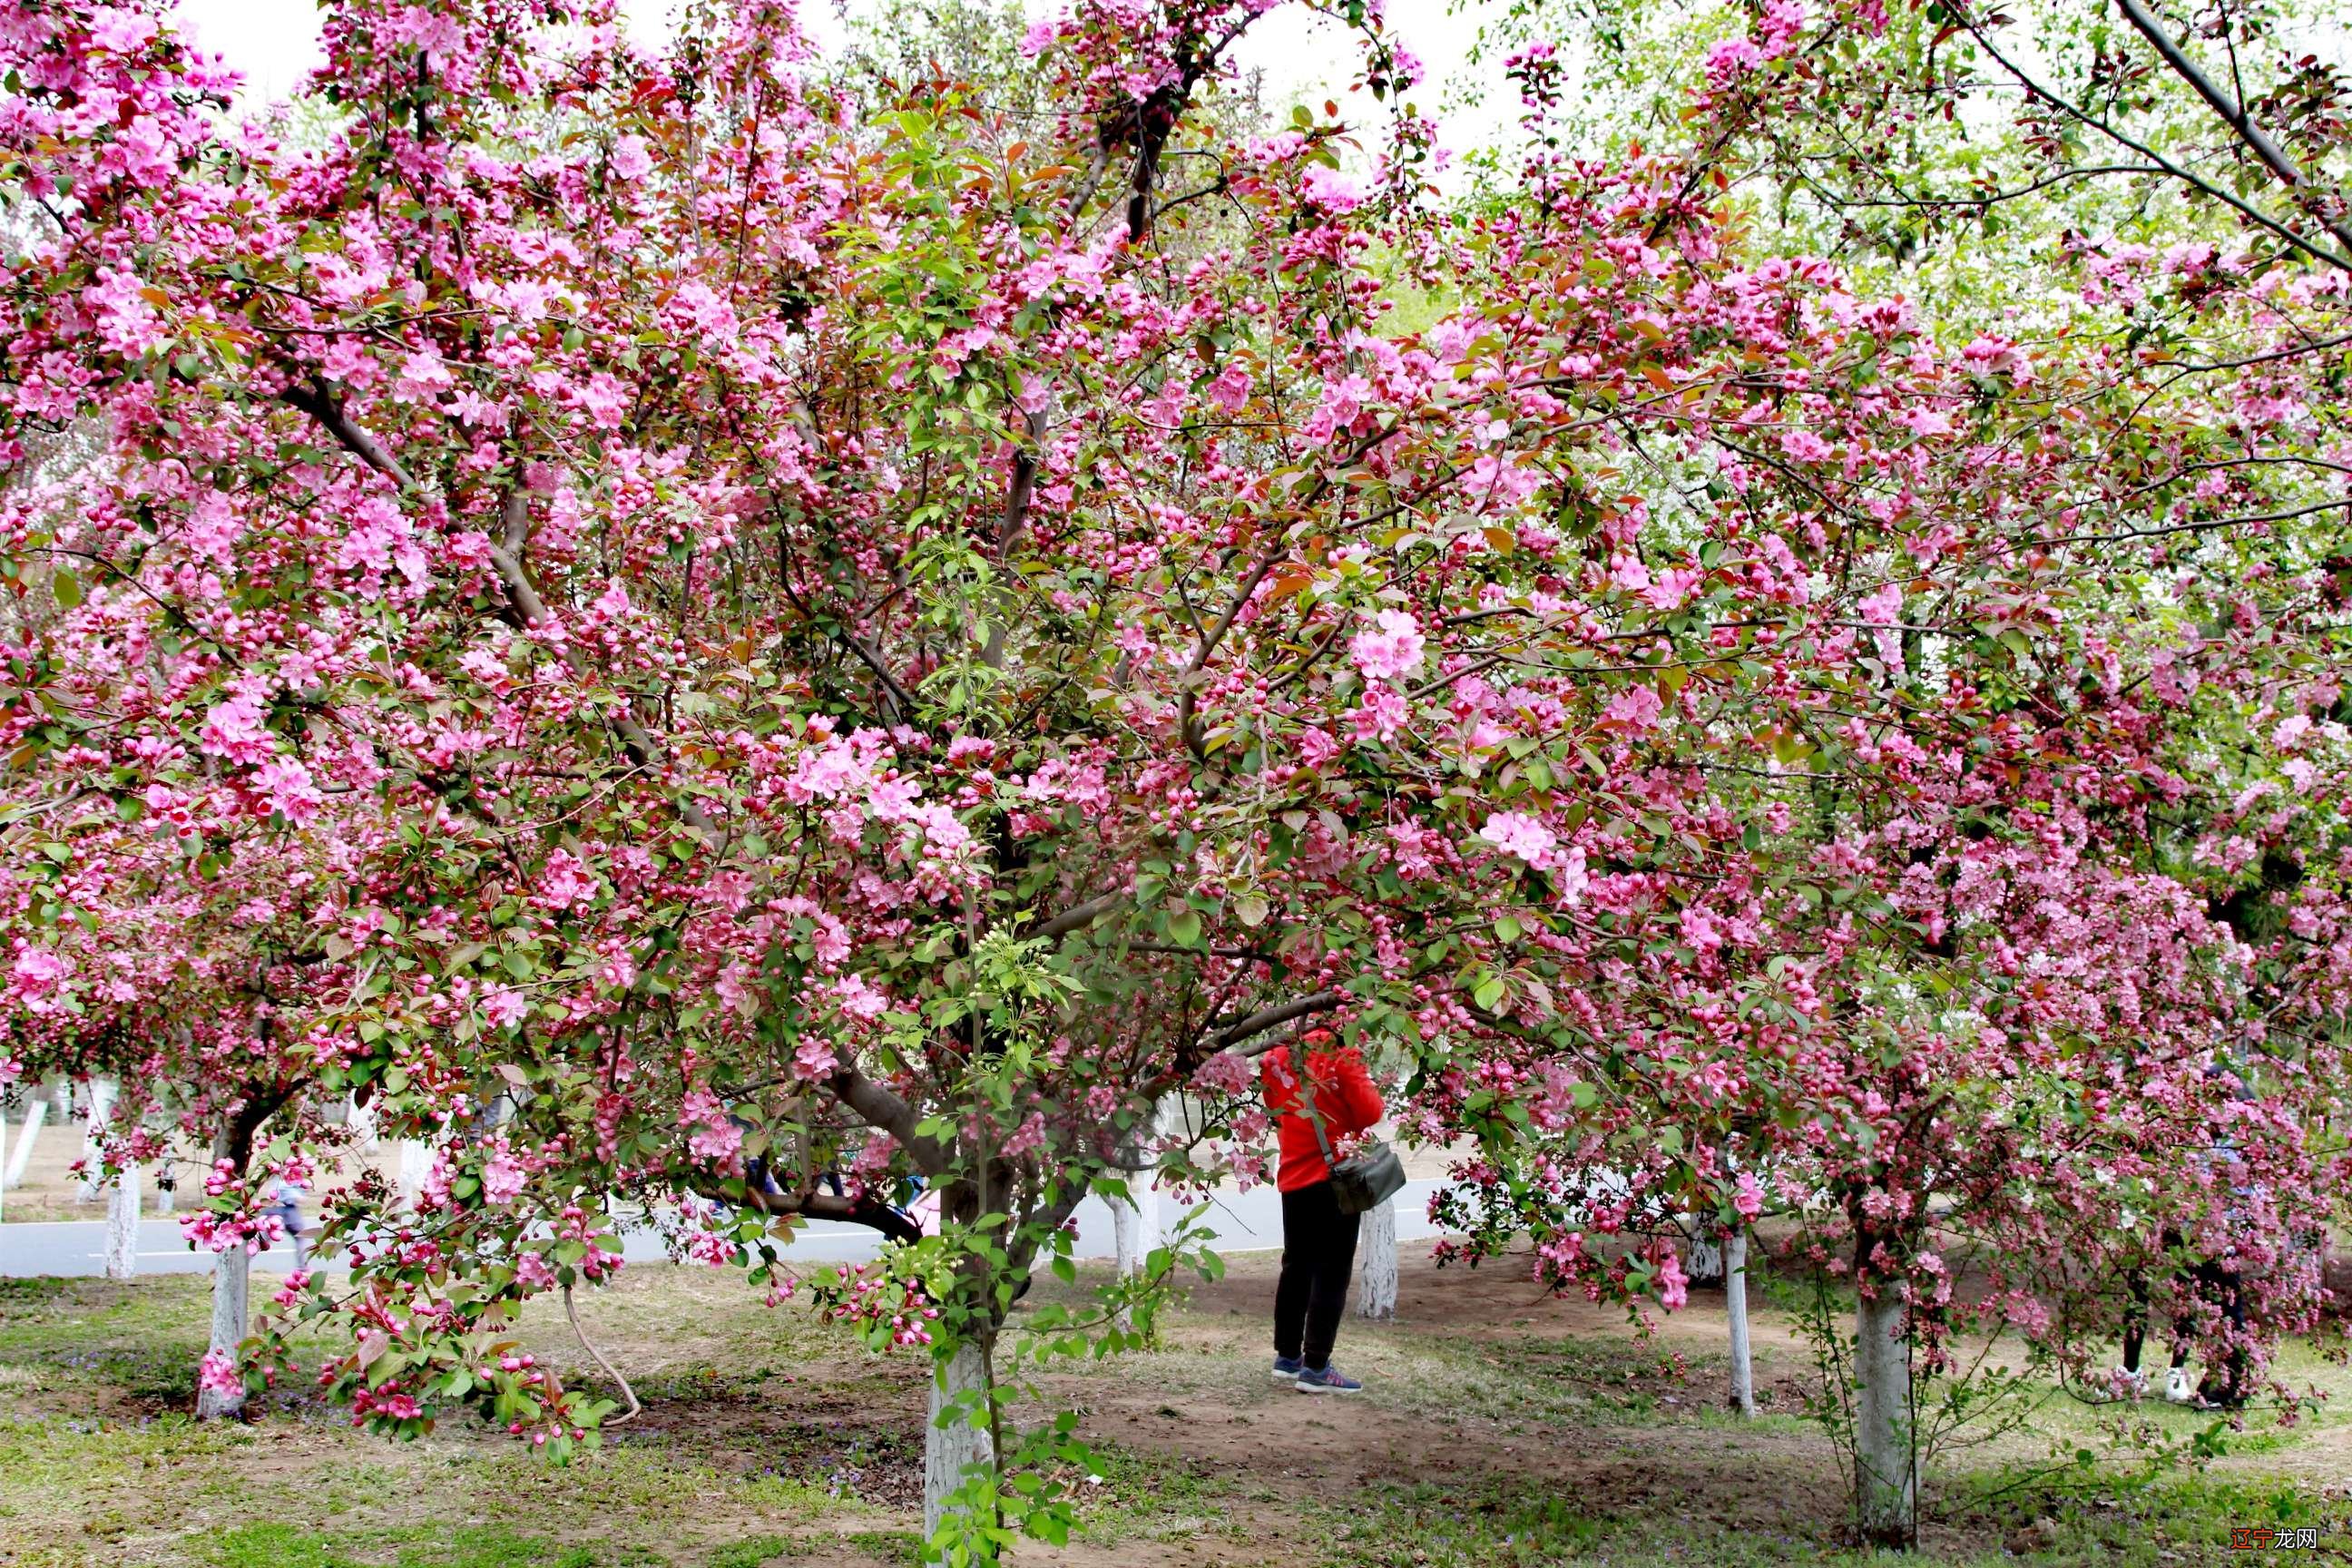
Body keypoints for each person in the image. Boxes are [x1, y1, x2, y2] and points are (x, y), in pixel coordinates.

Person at [1260, 1027, 1384, 1394]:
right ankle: (1316, 1365)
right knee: (1332, 1271)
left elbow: (1274, 1110)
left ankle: (1287, 1357)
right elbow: (1370, 1112)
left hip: (1293, 1175)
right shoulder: (1340, 1055)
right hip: (1335, 1176)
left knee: (1296, 1266)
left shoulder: (1275, 1056)